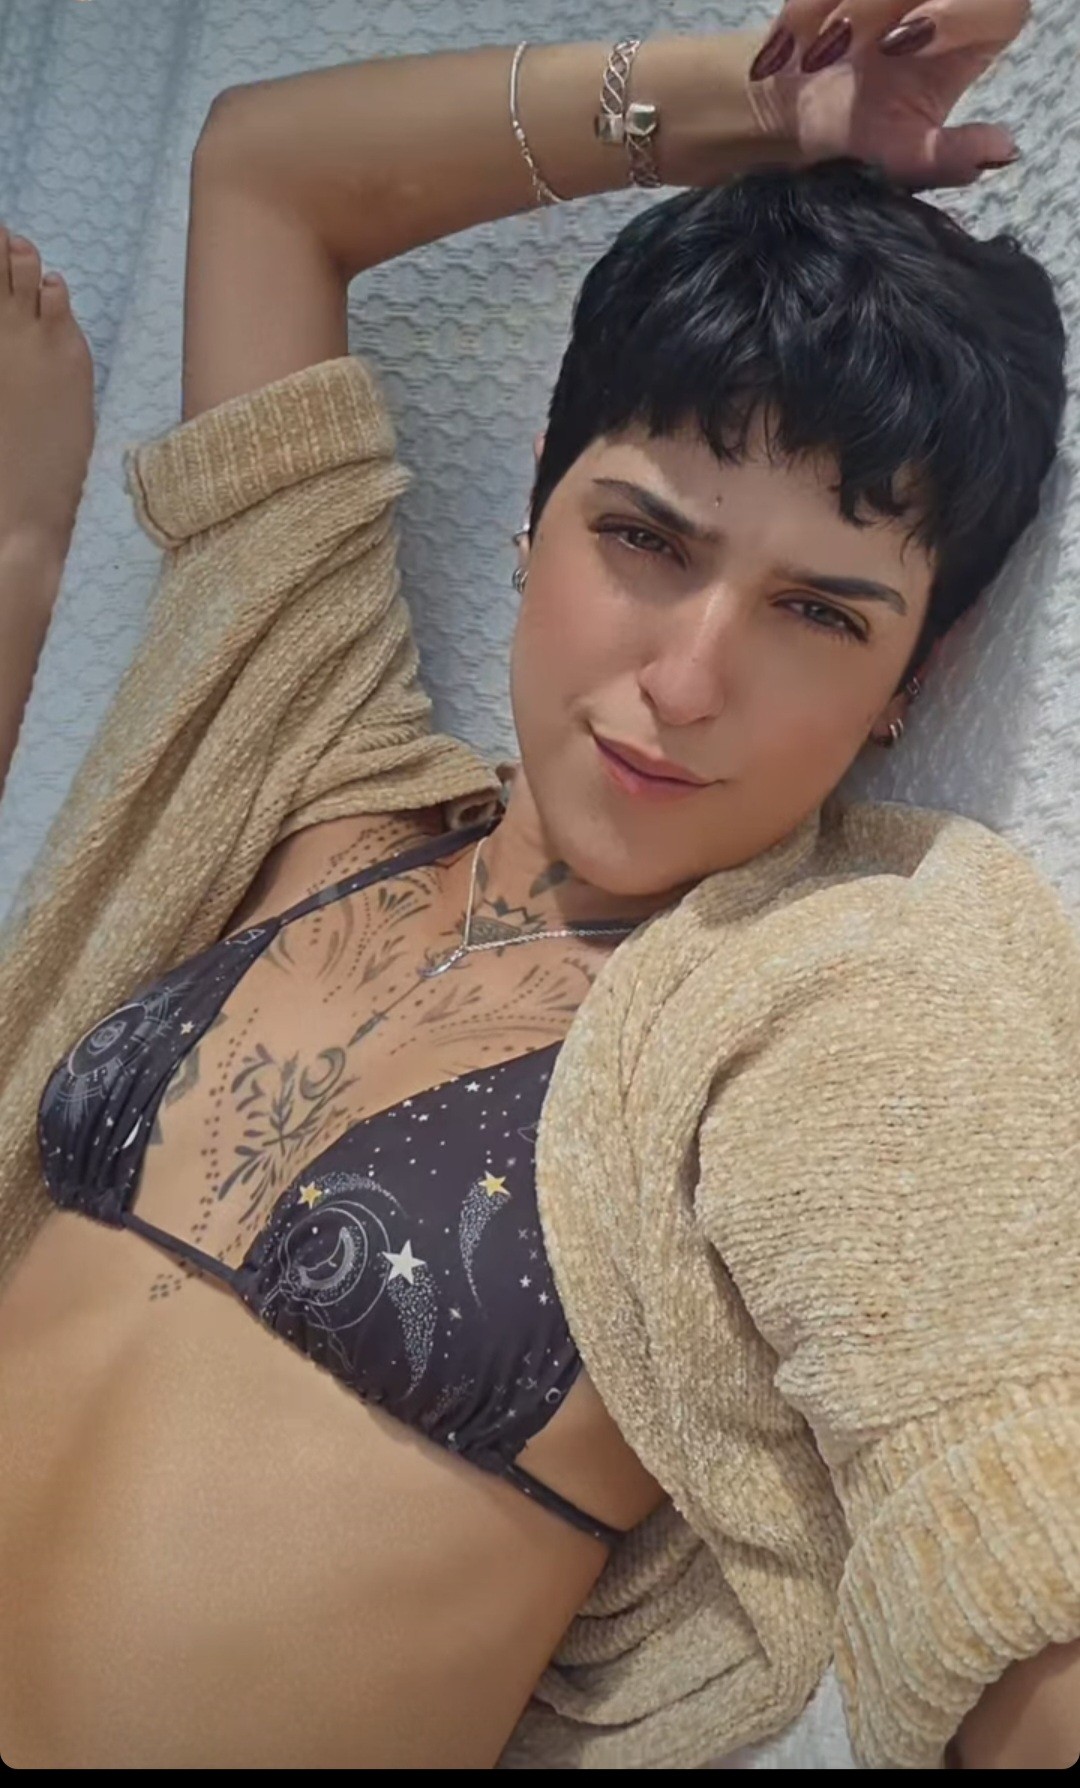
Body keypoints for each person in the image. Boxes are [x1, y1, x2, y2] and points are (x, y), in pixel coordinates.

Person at [0, 1, 1077, 1771]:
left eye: (820, 612)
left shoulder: (838, 998)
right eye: (644, 538)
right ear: (537, 506)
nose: (687, 681)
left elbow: (996, 1499)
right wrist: (767, 102)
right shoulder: (313, 763)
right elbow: (266, 181)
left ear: (920, 675)